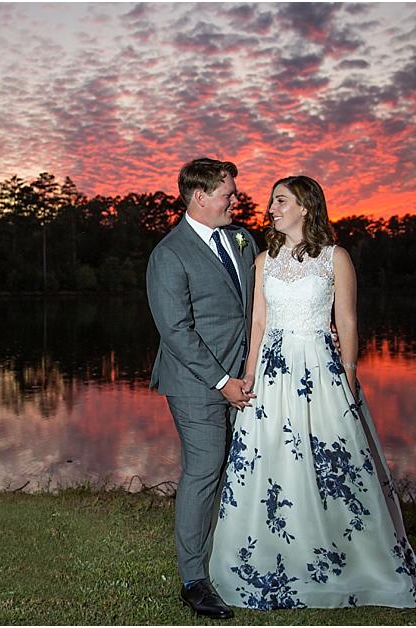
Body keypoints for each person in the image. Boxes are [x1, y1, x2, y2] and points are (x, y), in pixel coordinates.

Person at [208, 175, 416, 609]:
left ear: (306, 207)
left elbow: (347, 322)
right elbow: (258, 325)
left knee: (335, 462)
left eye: (281, 200)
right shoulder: (264, 260)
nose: (271, 207)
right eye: (272, 201)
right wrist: (249, 375)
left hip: (320, 373)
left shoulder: (335, 258)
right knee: (270, 461)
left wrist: (347, 375)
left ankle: (351, 559)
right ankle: (270, 555)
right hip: (272, 371)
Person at [146, 157, 260, 619]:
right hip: (196, 383)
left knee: (244, 470)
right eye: (227, 193)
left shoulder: (244, 239)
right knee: (204, 470)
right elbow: (175, 330)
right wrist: (222, 383)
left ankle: (234, 557)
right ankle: (194, 580)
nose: (235, 199)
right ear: (200, 196)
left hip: (247, 378)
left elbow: (257, 308)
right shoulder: (168, 254)